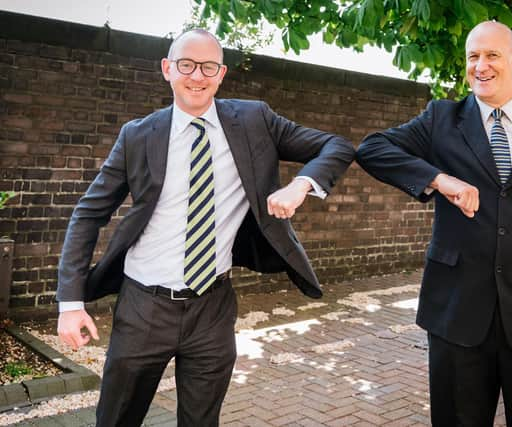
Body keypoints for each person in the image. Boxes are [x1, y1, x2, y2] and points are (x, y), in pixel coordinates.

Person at [56, 29, 354, 426]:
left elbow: (337, 146)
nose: (197, 76)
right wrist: (71, 303)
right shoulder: (138, 135)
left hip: (212, 308)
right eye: (186, 65)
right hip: (144, 307)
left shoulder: (254, 121)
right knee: (116, 419)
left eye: (208, 66)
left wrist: (301, 185)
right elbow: (88, 214)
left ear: (222, 73)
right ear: (167, 69)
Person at [356, 20, 512, 426]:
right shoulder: (441, 118)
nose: (481, 66)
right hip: (456, 313)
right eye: (472, 56)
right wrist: (439, 180)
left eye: (492, 55)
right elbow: (372, 148)